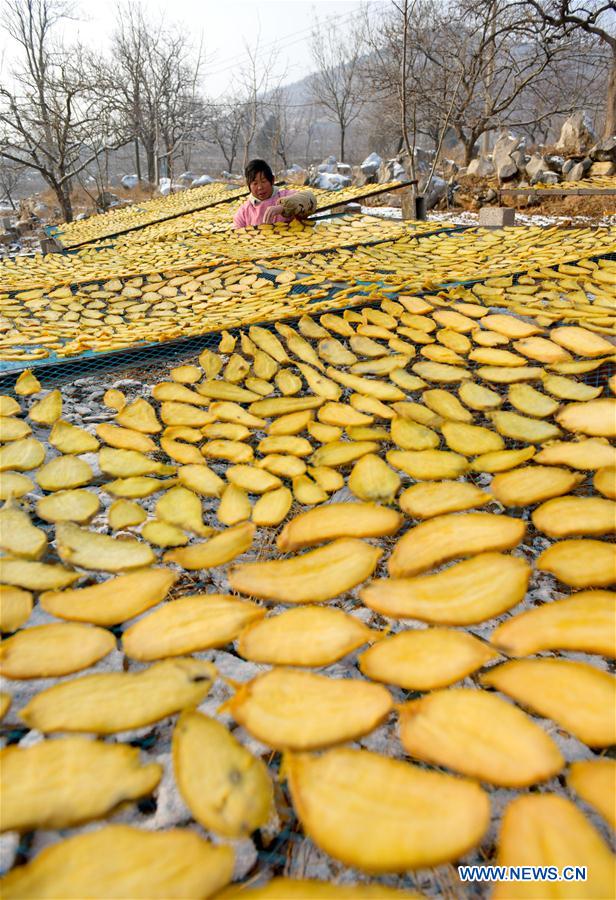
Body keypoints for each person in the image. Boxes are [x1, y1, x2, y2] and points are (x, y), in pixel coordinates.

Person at [233, 159, 315, 229]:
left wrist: (283, 207)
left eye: (264, 181)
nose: (260, 187)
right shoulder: (244, 212)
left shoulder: (286, 195)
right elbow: (236, 238)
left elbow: (310, 198)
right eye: (255, 183)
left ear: (272, 180)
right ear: (249, 185)